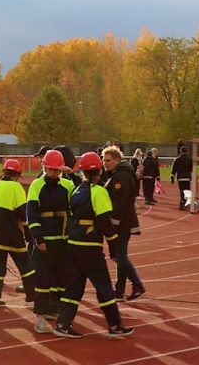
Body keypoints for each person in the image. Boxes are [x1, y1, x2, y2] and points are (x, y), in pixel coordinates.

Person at [55, 152, 133, 340]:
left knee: (73, 286)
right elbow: (105, 222)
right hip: (89, 246)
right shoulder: (99, 191)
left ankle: (62, 323)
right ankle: (115, 325)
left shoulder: (77, 190)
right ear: (98, 170)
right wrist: (114, 246)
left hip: (73, 243)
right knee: (104, 286)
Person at [26, 149, 75, 333]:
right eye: (50, 169)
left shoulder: (68, 186)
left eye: (56, 170)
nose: (53, 173)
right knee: (43, 280)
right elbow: (31, 213)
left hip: (63, 241)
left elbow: (78, 201)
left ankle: (55, 311)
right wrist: (38, 238)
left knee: (62, 279)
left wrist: (72, 175)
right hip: (45, 242)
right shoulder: (37, 185)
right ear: (44, 167)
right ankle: (39, 317)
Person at [0, 159, 35, 307]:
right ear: (18, 174)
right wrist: (28, 233)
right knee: (25, 265)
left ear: (4, 172)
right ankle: (31, 297)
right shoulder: (16, 187)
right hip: (11, 233)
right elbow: (22, 212)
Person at [101, 146, 145, 301]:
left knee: (119, 256)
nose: (105, 163)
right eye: (103, 160)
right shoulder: (115, 175)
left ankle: (137, 284)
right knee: (120, 256)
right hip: (120, 222)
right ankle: (119, 290)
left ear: (117, 160)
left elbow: (120, 202)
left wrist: (112, 224)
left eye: (108, 160)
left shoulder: (121, 177)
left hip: (121, 224)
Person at [171, 145, 193, 210]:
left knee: (181, 190)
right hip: (187, 177)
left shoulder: (177, 159)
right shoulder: (189, 159)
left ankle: (182, 203)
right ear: (186, 151)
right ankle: (186, 202)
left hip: (180, 177)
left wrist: (172, 178)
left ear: (180, 151)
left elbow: (174, 169)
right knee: (187, 191)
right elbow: (192, 169)